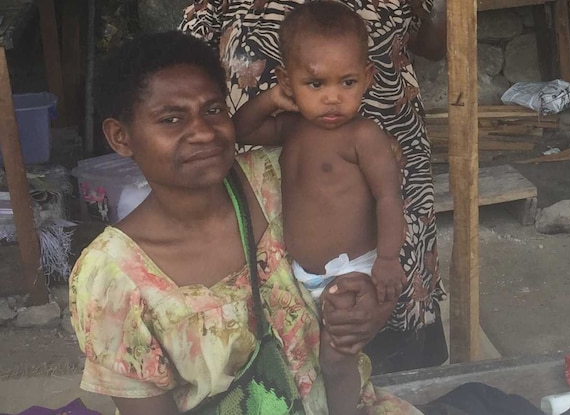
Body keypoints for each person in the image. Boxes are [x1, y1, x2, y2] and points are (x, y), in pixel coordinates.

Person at [180, 0, 448, 372]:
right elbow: (193, 55)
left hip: (385, 170)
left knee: (393, 332)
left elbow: (433, 46)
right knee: (287, 336)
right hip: (274, 176)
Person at [68, 32, 419, 415]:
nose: (203, 131)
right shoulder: (112, 278)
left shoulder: (282, 180)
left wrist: (364, 312)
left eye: (214, 110)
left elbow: (367, 266)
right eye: (171, 119)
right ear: (121, 137)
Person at [233, 1, 407, 414]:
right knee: (301, 356)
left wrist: (387, 258)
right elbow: (241, 130)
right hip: (297, 277)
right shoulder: (292, 129)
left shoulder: (364, 137)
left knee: (336, 355)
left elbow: (389, 197)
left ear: (366, 79)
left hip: (351, 269)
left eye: (347, 83)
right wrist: (272, 100)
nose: (332, 98)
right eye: (315, 84)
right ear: (287, 81)